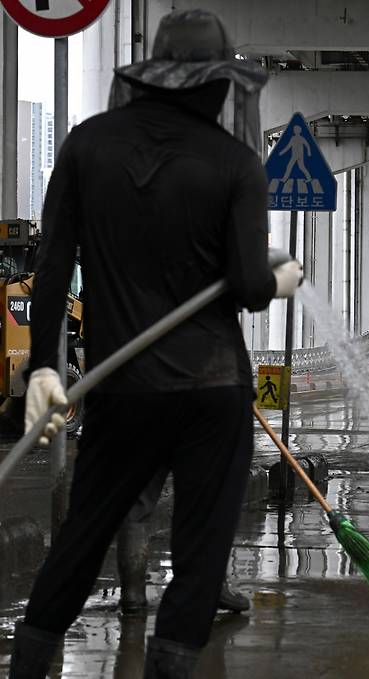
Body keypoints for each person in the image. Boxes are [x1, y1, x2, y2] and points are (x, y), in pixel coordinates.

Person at [9, 10, 303, 679]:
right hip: (211, 390)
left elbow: (51, 267)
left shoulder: (87, 146)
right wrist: (279, 280)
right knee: (200, 556)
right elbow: (248, 283)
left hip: (122, 389)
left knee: (81, 538)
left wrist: (45, 370)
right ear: (218, 82)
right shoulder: (235, 164)